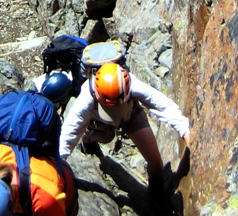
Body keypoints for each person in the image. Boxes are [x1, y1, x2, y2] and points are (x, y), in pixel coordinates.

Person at [59, 61, 190, 202]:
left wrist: (185, 131)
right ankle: (88, 141)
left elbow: (163, 105)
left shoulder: (134, 85)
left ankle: (156, 199)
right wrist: (57, 163)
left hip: (131, 115)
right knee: (99, 135)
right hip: (98, 122)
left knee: (155, 161)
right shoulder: (86, 97)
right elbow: (70, 132)